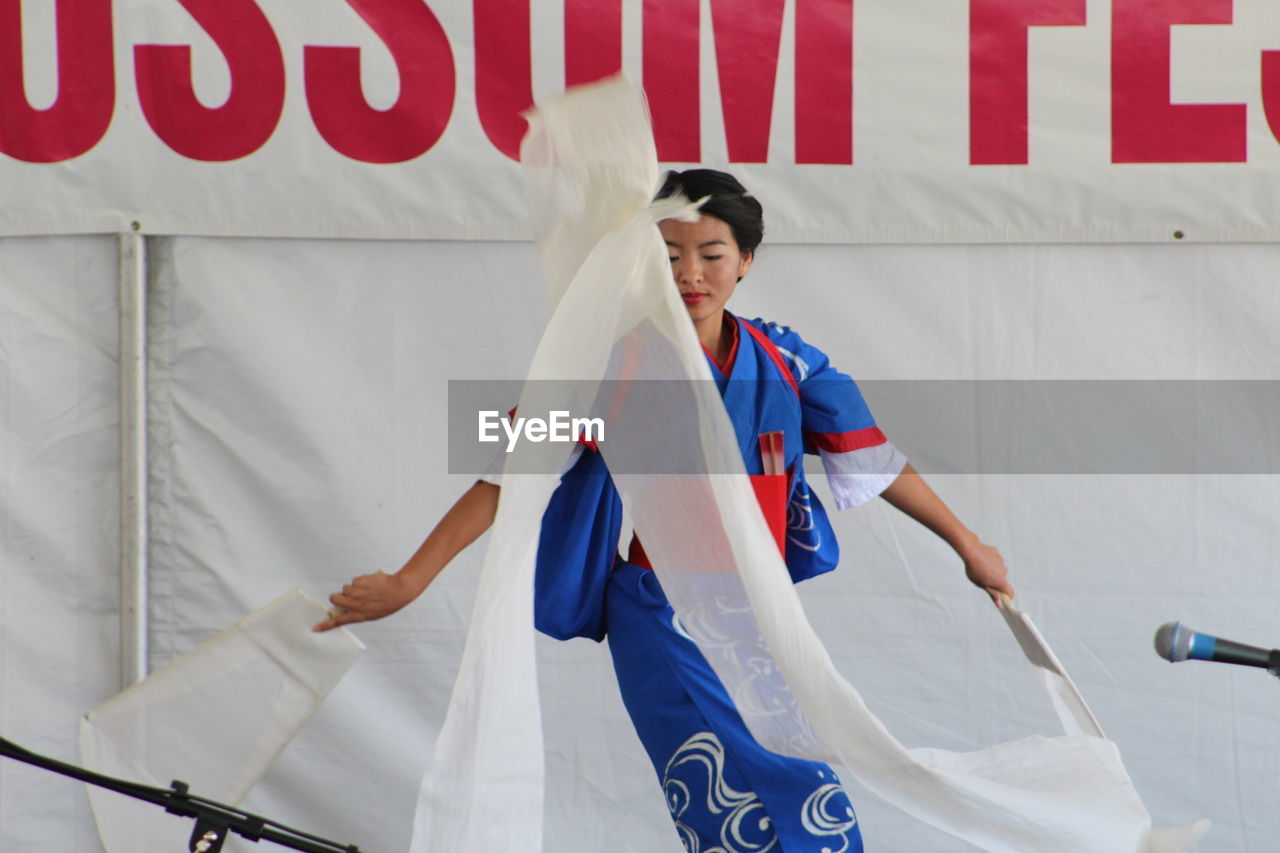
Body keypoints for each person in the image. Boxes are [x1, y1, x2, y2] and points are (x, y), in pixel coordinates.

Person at [316, 169, 1014, 852]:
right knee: (753, 810)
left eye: (711, 254)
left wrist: (967, 542)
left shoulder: (786, 360)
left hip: (758, 620)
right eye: (668, 255)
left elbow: (874, 460)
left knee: (805, 797)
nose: (690, 273)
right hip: (663, 611)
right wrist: (410, 580)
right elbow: (511, 471)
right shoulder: (611, 364)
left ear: (745, 260)